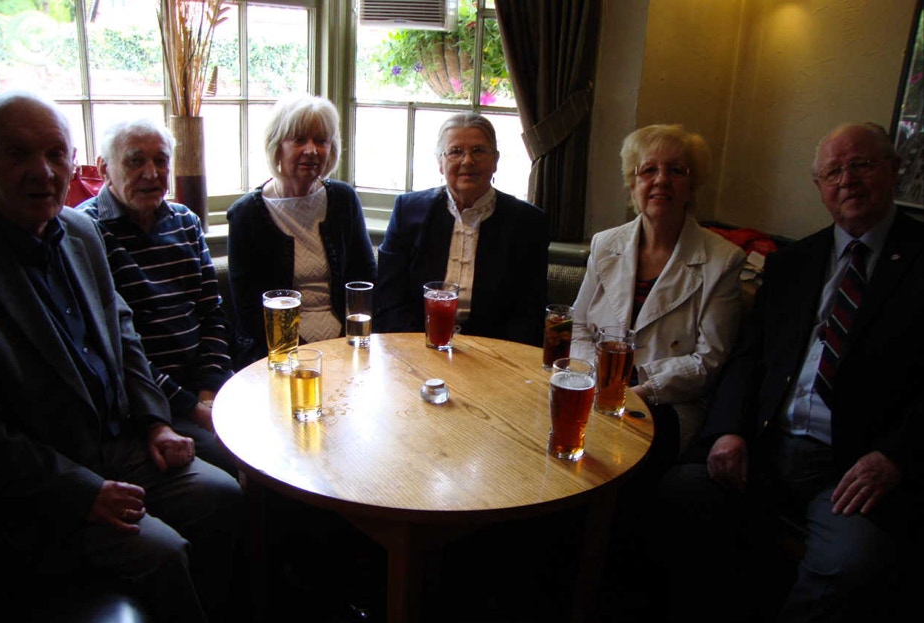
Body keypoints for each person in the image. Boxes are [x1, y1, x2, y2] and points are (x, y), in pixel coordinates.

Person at [0, 90, 243, 623]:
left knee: (224, 497)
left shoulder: (76, 232)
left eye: (55, 154)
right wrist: (81, 492)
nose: (43, 171)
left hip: (120, 440)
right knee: (164, 551)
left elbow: (123, 334)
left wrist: (154, 422)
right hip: (42, 485)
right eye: (19, 154)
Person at [660, 122, 924, 623]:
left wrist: (895, 456)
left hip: (854, 466)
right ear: (819, 186)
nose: (847, 180)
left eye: (862, 165)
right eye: (833, 171)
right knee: (674, 495)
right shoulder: (794, 262)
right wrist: (729, 431)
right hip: (766, 445)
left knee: (850, 562)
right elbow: (747, 358)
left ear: (894, 170)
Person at [571, 124, 746, 464]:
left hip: (665, 404)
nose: (661, 180)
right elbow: (578, 325)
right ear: (632, 183)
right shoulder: (605, 244)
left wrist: (636, 391)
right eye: (649, 170)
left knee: (604, 457)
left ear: (692, 185)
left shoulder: (723, 260)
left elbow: (708, 361)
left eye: (676, 171)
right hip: (595, 387)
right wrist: (596, 378)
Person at [77, 118, 237, 476]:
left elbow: (211, 313)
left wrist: (209, 390)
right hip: (144, 402)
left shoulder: (185, 221)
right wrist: (189, 405)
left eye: (161, 160)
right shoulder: (85, 232)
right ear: (104, 168)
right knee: (237, 455)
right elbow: (115, 349)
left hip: (206, 387)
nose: (151, 173)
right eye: (135, 161)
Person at [374, 111, 550, 346]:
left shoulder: (528, 222)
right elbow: (389, 299)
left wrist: (495, 356)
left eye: (478, 150)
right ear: (440, 163)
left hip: (494, 350)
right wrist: (417, 348)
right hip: (416, 344)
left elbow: (528, 313)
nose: (467, 161)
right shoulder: (407, 211)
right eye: (455, 151)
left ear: (495, 161)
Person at [227, 94, 376, 367]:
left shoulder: (344, 200)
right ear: (277, 146)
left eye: (321, 140)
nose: (312, 150)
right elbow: (248, 313)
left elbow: (365, 280)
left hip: (349, 344)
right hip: (277, 352)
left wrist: (344, 346)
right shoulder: (246, 215)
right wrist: (306, 355)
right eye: (299, 140)